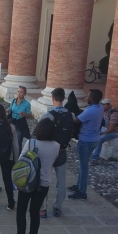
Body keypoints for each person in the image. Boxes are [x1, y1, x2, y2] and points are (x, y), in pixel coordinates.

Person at [10, 118, 60, 234]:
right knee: (34, 213)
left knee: (21, 211)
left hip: (27, 182)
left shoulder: (31, 143)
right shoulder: (56, 146)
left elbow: (21, 161)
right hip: (43, 184)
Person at [38, 88, 76, 218]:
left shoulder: (48, 115)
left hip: (48, 150)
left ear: (52, 98)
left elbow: (39, 131)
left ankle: (42, 209)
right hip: (62, 150)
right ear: (63, 98)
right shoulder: (70, 115)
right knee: (61, 181)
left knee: (44, 179)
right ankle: (57, 207)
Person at [67, 89, 103, 200]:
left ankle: (82, 192)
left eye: (88, 96)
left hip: (86, 141)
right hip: (94, 139)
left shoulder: (90, 111)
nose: (86, 97)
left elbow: (76, 121)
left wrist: (71, 113)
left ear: (92, 98)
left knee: (84, 167)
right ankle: (78, 185)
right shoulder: (100, 107)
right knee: (84, 165)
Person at [91, 98, 118, 165]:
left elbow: (111, 129)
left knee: (100, 139)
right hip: (105, 130)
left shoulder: (114, 114)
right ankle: (91, 153)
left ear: (109, 105)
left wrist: (102, 133)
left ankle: (95, 158)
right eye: (102, 105)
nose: (103, 106)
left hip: (113, 133)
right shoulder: (104, 112)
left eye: (104, 105)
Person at [7, 86, 32, 151]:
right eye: (18, 91)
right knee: (9, 138)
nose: (19, 93)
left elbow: (29, 115)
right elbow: (10, 109)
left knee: (18, 141)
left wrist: (24, 114)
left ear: (24, 93)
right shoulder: (13, 100)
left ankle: (18, 155)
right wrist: (8, 110)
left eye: (21, 92)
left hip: (20, 123)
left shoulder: (27, 104)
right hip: (12, 122)